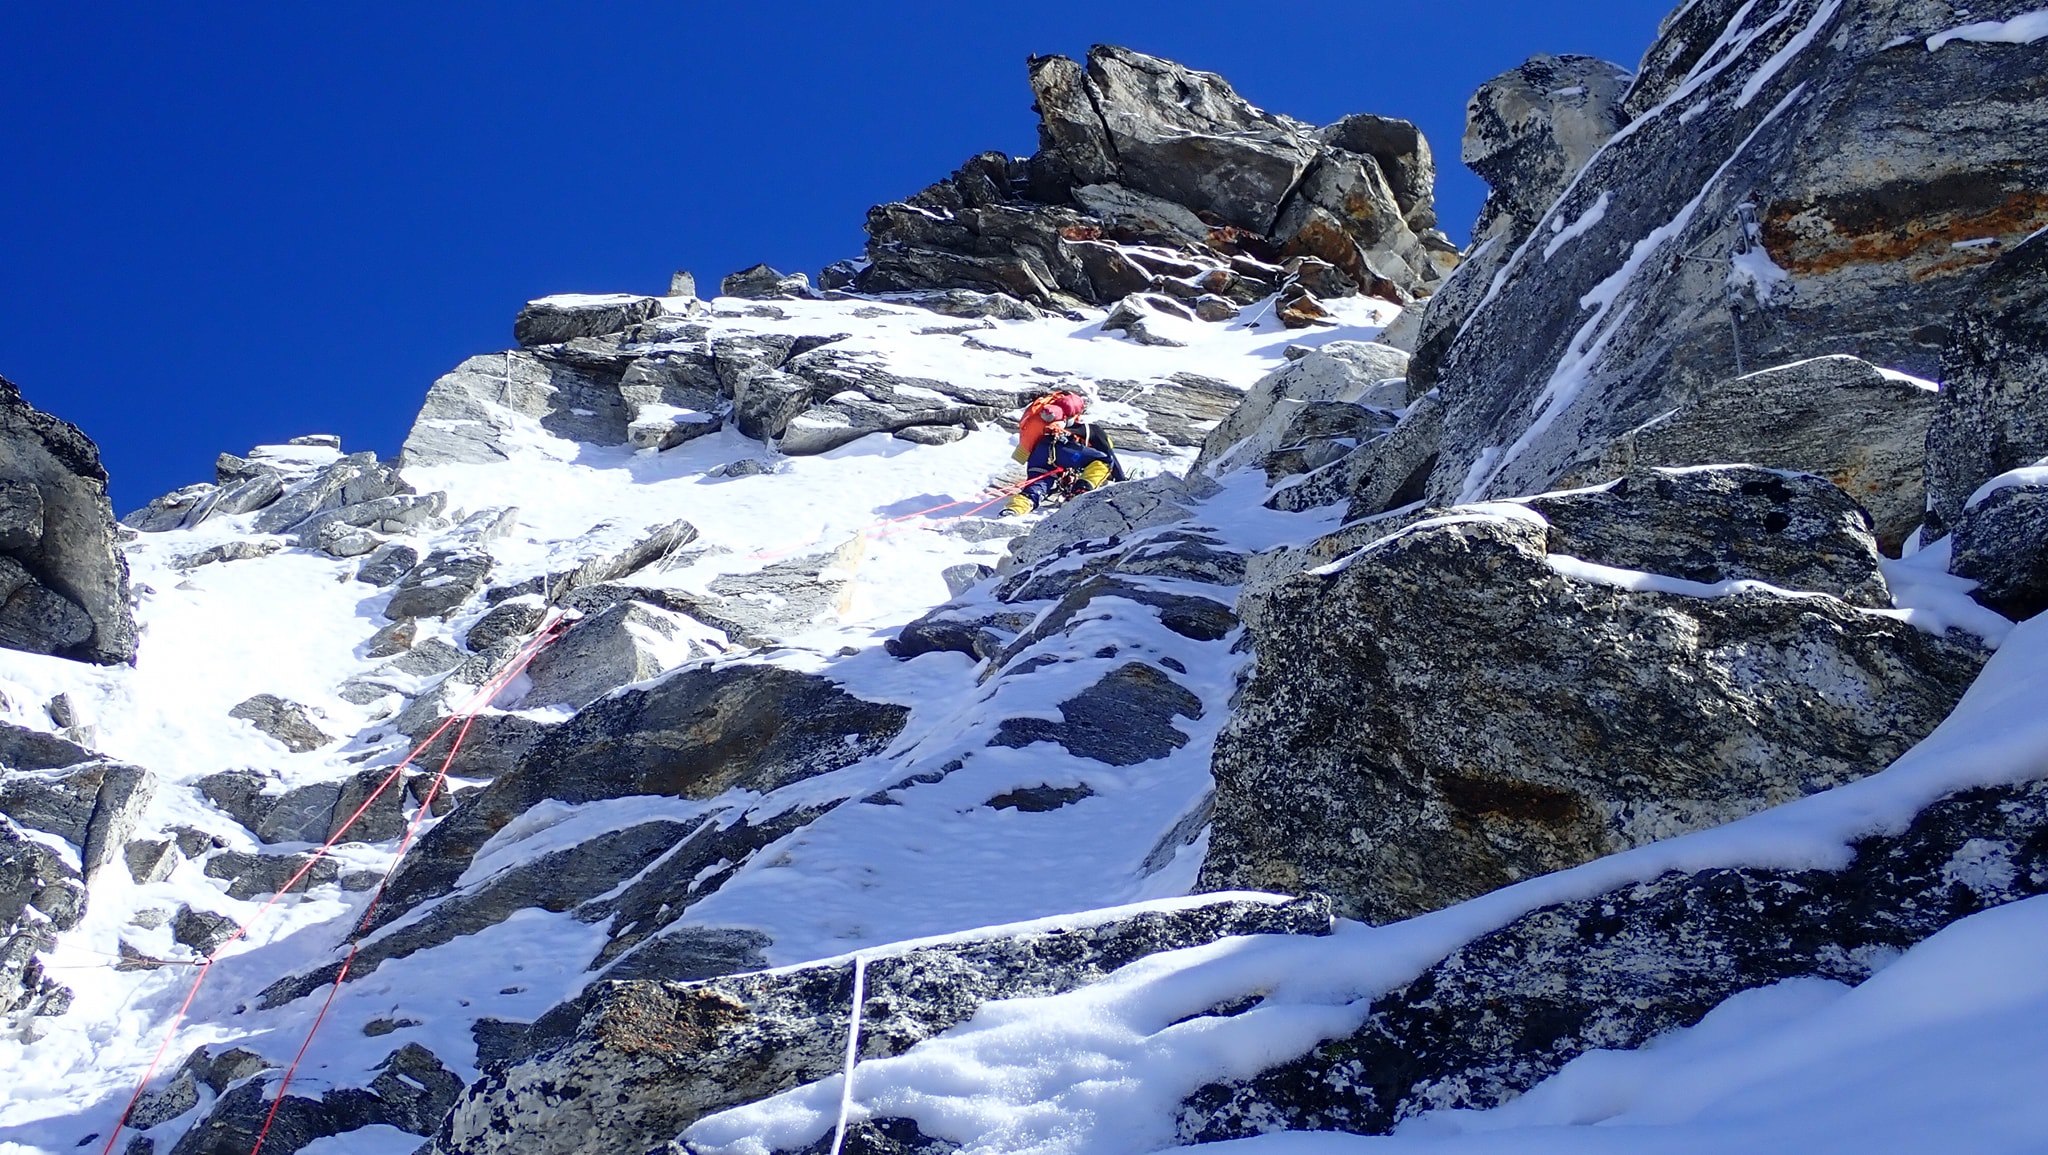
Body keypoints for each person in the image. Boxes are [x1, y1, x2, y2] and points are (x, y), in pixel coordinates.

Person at [1001, 390, 1124, 516]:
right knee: (1104, 461)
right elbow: (1109, 456)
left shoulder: (1044, 425)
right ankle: (1081, 491)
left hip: (1039, 453)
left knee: (1037, 486)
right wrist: (1122, 482)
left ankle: (1013, 510)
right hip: (1061, 450)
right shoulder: (1090, 430)